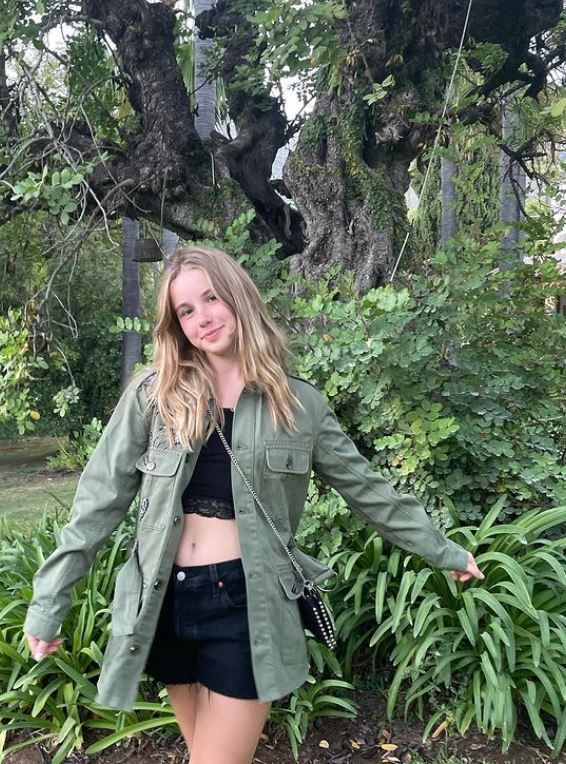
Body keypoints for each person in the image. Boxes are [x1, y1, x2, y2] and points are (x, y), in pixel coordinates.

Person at [24, 246, 484, 764]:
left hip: (246, 602)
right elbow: (97, 503)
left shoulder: (298, 404)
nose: (202, 318)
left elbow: (368, 489)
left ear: (237, 296)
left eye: (211, 299)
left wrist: (443, 550)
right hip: (165, 599)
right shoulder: (155, 396)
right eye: (186, 311)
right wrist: (49, 603)